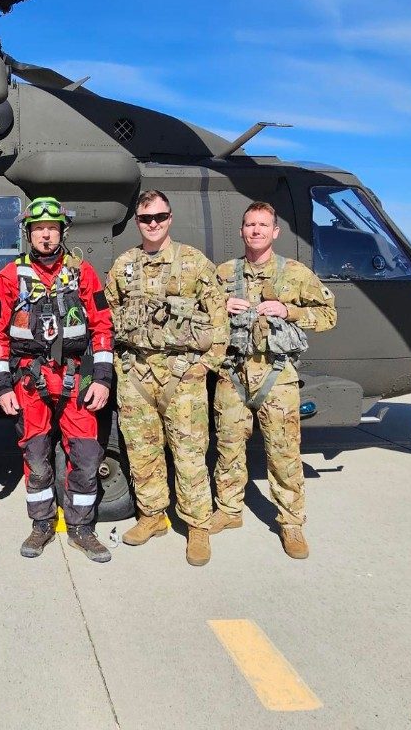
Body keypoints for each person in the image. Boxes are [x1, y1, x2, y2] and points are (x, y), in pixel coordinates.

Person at [0, 196, 115, 562]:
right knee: (37, 456)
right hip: (30, 381)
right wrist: (2, 387)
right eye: (38, 229)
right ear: (28, 234)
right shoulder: (9, 277)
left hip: (76, 378)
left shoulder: (83, 273)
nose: (46, 236)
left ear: (62, 231)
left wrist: (102, 378)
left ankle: (81, 528)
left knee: (88, 455)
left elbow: (102, 326)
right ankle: (42, 524)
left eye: (52, 228)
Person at [209, 201, 337, 558]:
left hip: (276, 374)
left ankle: (291, 523)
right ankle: (229, 509)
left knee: (283, 453)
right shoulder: (224, 273)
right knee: (228, 446)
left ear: (275, 232)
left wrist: (289, 310)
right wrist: (222, 305)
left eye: (263, 225)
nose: (256, 231)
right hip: (232, 372)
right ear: (241, 230)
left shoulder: (294, 274)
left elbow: (329, 315)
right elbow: (201, 315)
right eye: (250, 224)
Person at [105, 190, 226, 566]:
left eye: (159, 217)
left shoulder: (194, 262)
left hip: (182, 377)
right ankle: (152, 515)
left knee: (189, 454)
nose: (153, 224)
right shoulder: (124, 264)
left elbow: (219, 317)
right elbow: (107, 317)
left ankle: (198, 526)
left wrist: (206, 364)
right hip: (137, 375)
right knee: (142, 453)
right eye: (145, 218)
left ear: (169, 218)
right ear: (137, 222)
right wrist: (117, 363)